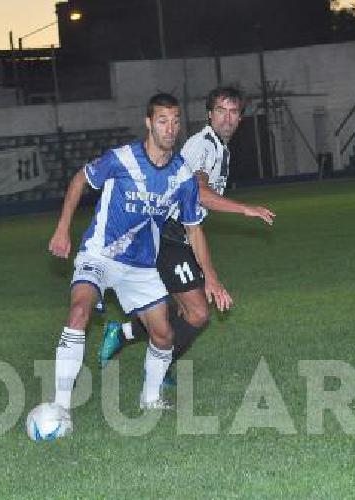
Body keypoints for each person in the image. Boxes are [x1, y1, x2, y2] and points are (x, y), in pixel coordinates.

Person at [46, 93, 231, 412]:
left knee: (164, 335)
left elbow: (193, 228)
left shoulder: (182, 175)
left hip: (142, 266)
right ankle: (60, 407)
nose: (170, 128)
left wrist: (211, 278)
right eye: (162, 121)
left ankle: (150, 398)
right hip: (100, 256)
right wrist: (62, 228)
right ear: (149, 123)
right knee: (79, 313)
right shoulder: (122, 159)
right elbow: (80, 180)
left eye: (175, 121)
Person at [97, 86, 276, 388]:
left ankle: (123, 334)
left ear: (240, 118)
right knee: (197, 312)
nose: (227, 118)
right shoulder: (202, 145)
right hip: (167, 236)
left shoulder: (219, 147)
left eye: (234, 112)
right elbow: (201, 194)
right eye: (221, 110)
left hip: (179, 237)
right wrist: (245, 209)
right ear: (209, 114)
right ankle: (159, 368)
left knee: (176, 310)